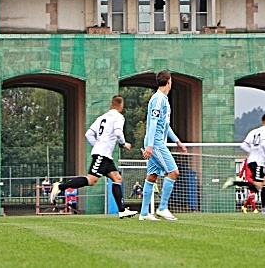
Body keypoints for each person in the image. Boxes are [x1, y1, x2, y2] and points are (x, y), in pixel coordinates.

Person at [49, 95, 139, 218]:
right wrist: (124, 144)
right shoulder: (119, 117)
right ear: (121, 106)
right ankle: (60, 186)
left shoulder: (102, 117)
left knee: (117, 179)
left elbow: (89, 134)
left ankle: (122, 210)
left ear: (111, 105)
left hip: (105, 155)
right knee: (91, 180)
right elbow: (118, 132)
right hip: (102, 154)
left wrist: (97, 144)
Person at [139, 70, 187, 222]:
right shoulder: (159, 99)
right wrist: (151, 146)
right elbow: (153, 123)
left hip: (155, 142)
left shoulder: (163, 100)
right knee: (173, 172)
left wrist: (177, 141)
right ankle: (162, 208)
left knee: (152, 176)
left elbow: (165, 125)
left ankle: (144, 213)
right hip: (156, 143)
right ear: (169, 82)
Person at [223, 112, 265, 214]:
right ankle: (233, 182)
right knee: (257, 186)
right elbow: (264, 144)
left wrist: (252, 152)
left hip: (252, 160)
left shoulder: (254, 131)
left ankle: (264, 210)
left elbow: (243, 146)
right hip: (258, 162)